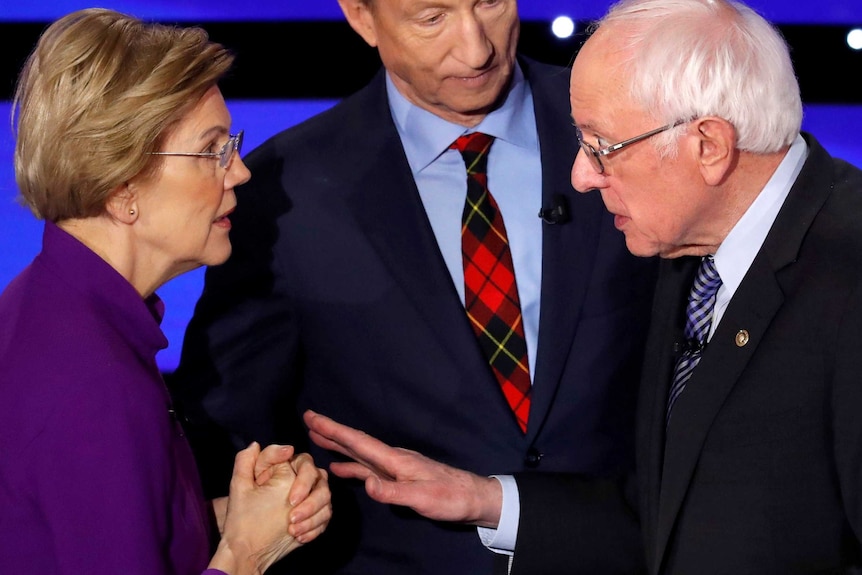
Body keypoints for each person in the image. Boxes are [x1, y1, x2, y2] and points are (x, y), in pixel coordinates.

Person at [304, 0, 862, 573]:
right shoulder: (693, 260)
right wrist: (484, 500)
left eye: (602, 147)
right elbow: (673, 521)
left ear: (709, 146)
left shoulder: (848, 279)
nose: (580, 177)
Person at [167, 0, 658, 573]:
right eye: (431, 18)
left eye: (491, 3)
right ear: (361, 16)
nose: (477, 49)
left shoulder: (638, 126)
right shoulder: (283, 192)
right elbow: (228, 430)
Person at [0, 9, 333, 575]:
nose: (239, 172)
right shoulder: (92, 378)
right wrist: (247, 553)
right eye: (211, 150)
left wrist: (233, 516)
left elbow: (92, 531)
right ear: (121, 186)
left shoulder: (57, 311)